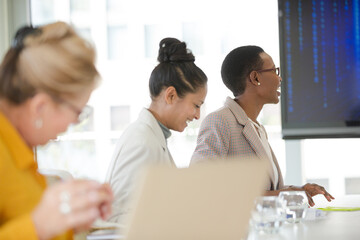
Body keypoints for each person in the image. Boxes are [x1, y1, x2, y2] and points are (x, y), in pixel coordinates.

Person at [0, 22, 113, 240]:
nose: (72, 124)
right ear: (40, 106)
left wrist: (71, 222)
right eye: (77, 112)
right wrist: (40, 225)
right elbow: (33, 228)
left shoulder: (19, 151)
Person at [191, 45, 334, 206]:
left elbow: (264, 190)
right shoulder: (219, 121)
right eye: (274, 71)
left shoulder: (256, 127)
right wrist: (280, 195)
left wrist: (297, 190)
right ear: (255, 78)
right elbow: (201, 186)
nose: (279, 79)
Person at [105, 38, 207, 223]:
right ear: (171, 95)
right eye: (196, 105)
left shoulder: (153, 137)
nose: (197, 115)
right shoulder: (142, 141)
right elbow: (119, 218)